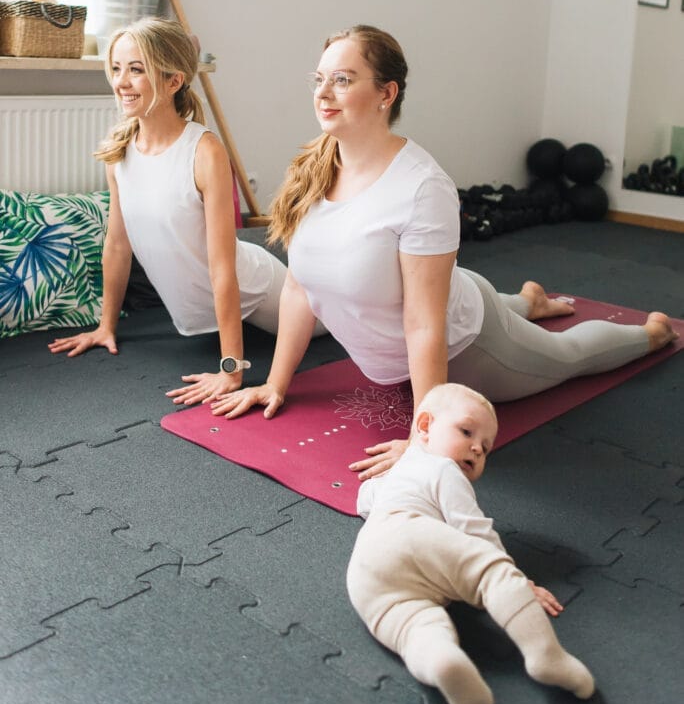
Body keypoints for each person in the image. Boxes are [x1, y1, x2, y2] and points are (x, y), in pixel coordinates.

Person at [208, 24, 677, 475]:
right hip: (437, 286)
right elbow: (297, 287)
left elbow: (424, 319)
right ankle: (530, 301)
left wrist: (421, 435)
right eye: (319, 79)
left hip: (468, 342)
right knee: (471, 297)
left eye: (343, 80)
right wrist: (275, 383)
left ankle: (650, 335)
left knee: (568, 357)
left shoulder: (422, 187)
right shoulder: (312, 170)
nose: (323, 92)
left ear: (386, 94)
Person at [48, 17, 298, 403]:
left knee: (332, 326)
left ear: (173, 81)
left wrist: (231, 370)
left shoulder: (204, 151)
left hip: (259, 287)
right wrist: (105, 326)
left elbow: (223, 265)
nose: (121, 82)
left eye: (136, 70)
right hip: (216, 302)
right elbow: (117, 245)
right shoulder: (119, 152)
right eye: (116, 69)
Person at [346, 384, 595, 704]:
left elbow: (364, 499)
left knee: (412, 626)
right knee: (491, 572)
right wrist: (521, 582)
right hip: (410, 533)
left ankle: (442, 661)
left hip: (365, 567)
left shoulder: (395, 474)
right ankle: (544, 655)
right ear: (424, 427)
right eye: (466, 431)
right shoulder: (444, 469)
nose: (477, 448)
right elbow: (475, 531)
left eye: (486, 448)